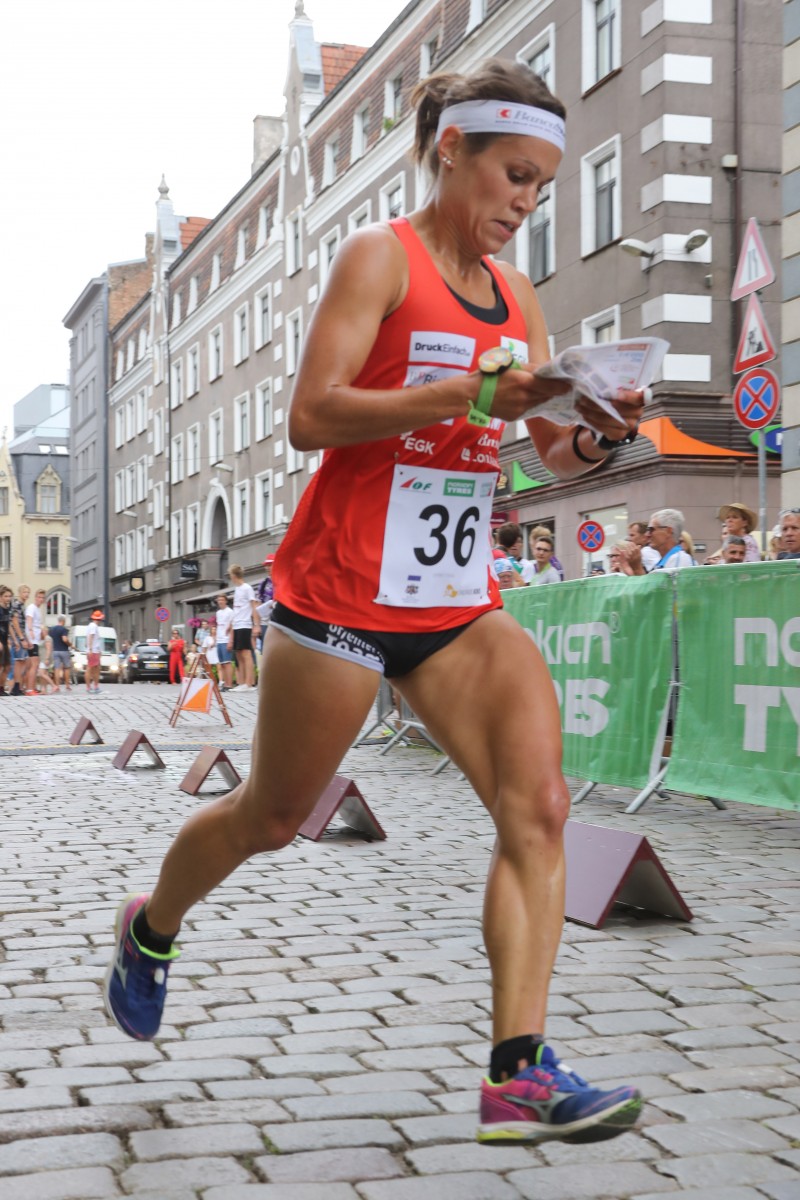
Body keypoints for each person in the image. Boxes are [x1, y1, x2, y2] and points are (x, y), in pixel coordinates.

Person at [103, 58, 645, 1146]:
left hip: (454, 600)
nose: (526, 204)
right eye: (513, 176)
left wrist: (595, 433)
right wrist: (471, 390)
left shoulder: (519, 297)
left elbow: (541, 450)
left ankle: (517, 1075)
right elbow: (311, 415)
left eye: (541, 187)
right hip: (343, 590)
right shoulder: (378, 258)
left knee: (539, 808)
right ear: (452, 150)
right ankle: (151, 927)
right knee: (270, 817)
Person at [228, 565, 260, 691]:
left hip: (245, 624)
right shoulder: (237, 589)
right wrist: (231, 625)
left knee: (246, 653)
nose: (230, 577)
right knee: (238, 654)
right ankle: (241, 683)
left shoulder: (247, 588)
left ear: (234, 575)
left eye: (230, 574)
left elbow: (254, 606)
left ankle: (249, 683)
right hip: (237, 624)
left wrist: (256, 625)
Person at [25, 589, 52, 695]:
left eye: (42, 598)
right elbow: (29, 620)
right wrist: (30, 632)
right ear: (35, 597)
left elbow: (37, 625)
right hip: (32, 640)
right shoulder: (31, 607)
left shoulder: (38, 610)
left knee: (32, 665)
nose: (41, 599)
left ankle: (31, 688)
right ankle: (29, 689)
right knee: (34, 665)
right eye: (39, 597)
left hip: (36, 640)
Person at [8, 584, 30, 696]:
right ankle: (15, 687)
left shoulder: (22, 605)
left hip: (21, 636)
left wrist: (27, 639)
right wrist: (21, 638)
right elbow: (15, 622)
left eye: (28, 592)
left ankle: (18, 686)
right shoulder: (16, 604)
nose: (26, 594)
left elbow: (22, 625)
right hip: (17, 637)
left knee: (23, 661)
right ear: (20, 593)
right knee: (19, 661)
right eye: (24, 592)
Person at [214, 593, 234, 690]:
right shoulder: (218, 613)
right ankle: (225, 684)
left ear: (226, 601)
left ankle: (229, 684)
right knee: (222, 664)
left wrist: (230, 640)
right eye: (219, 600)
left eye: (222, 600)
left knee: (227, 663)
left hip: (226, 640)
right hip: (219, 640)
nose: (220, 602)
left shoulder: (230, 611)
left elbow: (232, 627)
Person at [48, 615, 72, 692]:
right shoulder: (64, 629)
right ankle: (67, 685)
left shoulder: (52, 629)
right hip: (64, 650)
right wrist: (70, 644)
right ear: (63, 621)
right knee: (67, 668)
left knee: (57, 668)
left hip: (55, 650)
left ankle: (57, 686)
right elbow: (64, 639)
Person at [85, 609, 104, 695]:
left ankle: (94, 686)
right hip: (94, 651)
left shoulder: (90, 626)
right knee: (91, 669)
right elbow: (91, 637)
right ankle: (90, 687)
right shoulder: (93, 626)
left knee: (95, 669)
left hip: (94, 650)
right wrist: (90, 649)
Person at [0, 586, 12, 695]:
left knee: (7, 666)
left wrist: (11, 639)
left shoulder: (7, 609)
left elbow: (8, 626)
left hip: (4, 641)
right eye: (5, 596)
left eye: (9, 596)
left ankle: (1, 688)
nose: (8, 598)